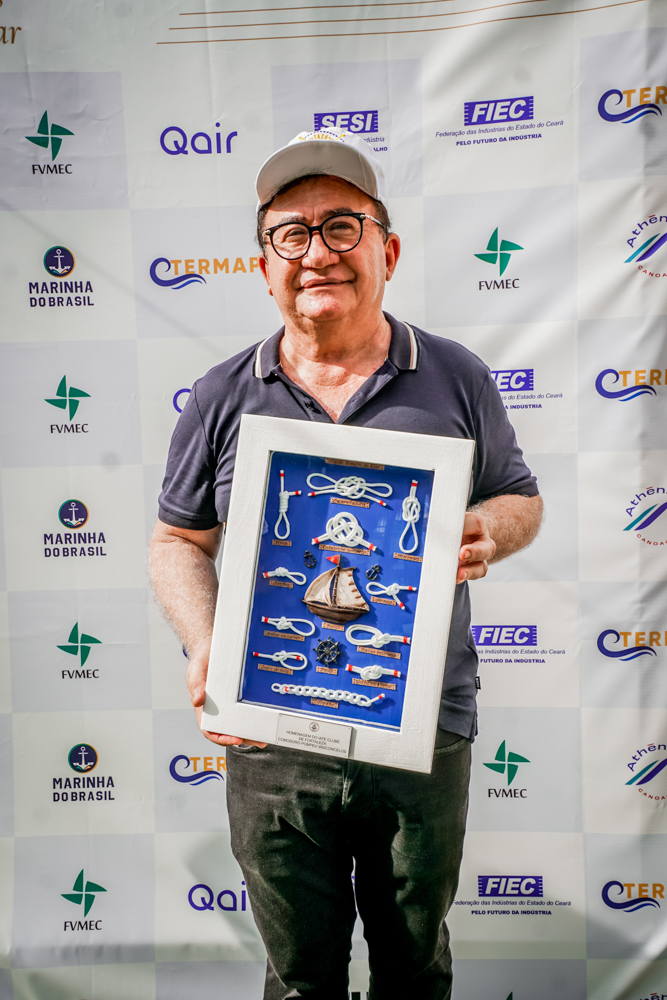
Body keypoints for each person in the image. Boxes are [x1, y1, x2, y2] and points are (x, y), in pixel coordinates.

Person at [150, 128, 543, 1000]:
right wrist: (206, 642)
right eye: (290, 234)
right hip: (269, 735)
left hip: (421, 727)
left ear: (386, 251)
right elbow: (177, 540)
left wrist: (487, 528)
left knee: (414, 967)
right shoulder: (220, 394)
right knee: (299, 979)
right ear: (264, 266)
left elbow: (520, 497)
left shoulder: (455, 376)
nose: (316, 252)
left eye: (341, 226)